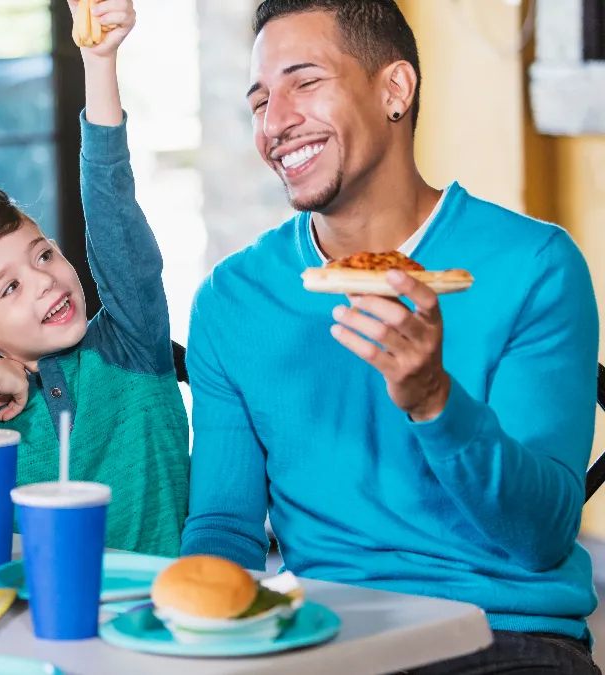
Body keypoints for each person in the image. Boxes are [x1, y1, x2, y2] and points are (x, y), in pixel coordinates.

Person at [182, 1, 600, 672]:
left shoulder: (534, 266)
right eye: (260, 99)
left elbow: (541, 535)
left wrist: (435, 399)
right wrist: (193, 630)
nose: (275, 122)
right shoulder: (234, 298)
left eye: (305, 81)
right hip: (321, 638)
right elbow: (225, 528)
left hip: (498, 636)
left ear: (394, 91)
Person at [0, 0, 189, 558]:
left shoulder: (131, 339)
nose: (45, 281)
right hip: (42, 622)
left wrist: (99, 63)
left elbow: (111, 209)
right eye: (9, 287)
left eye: (44, 256)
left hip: (157, 616)